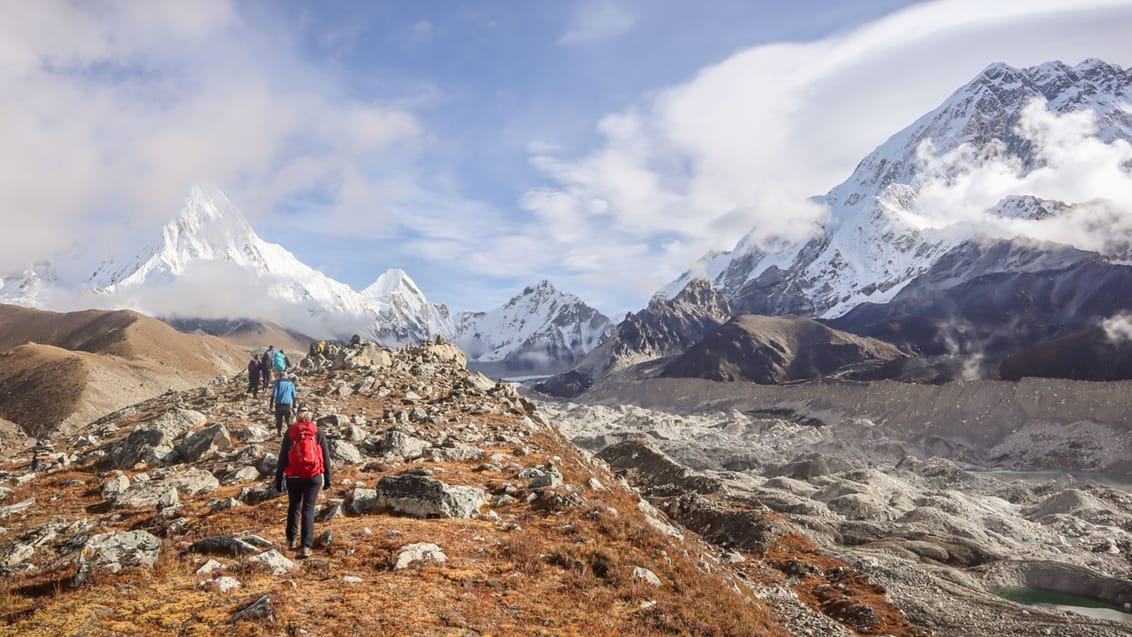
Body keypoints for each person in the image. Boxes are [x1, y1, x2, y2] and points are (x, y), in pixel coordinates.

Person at [274, 404, 331, 558]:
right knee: (308, 509)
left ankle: (291, 540)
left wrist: (278, 479)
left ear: (297, 415)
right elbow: (325, 456)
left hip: (294, 476)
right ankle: (306, 546)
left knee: (294, 506)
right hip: (313, 476)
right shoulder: (317, 432)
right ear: (312, 416)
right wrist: (328, 478)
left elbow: (283, 457)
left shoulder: (290, 432)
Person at [270, 371, 297, 435]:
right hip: (287, 404)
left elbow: (274, 393)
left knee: (279, 419)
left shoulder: (277, 382)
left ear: (279, 375)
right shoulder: (291, 382)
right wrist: (294, 404)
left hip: (278, 403)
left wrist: (271, 402)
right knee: (288, 419)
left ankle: (279, 432)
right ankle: (290, 433)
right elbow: (294, 394)